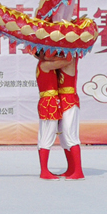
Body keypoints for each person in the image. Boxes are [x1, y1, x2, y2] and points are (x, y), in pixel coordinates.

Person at [34, 50, 73, 180]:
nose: (52, 55)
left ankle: (45, 170)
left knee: (47, 134)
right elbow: (67, 61)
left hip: (51, 102)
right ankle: (44, 171)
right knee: (47, 135)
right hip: (48, 103)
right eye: (48, 53)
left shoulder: (45, 64)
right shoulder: (44, 65)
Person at [56, 55, 83, 180]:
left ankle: (78, 171)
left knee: (70, 134)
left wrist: (39, 57)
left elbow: (50, 62)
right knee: (63, 137)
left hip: (70, 100)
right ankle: (71, 169)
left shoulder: (70, 59)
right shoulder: (60, 60)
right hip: (61, 100)